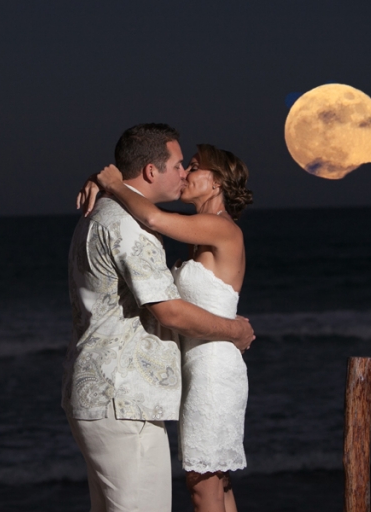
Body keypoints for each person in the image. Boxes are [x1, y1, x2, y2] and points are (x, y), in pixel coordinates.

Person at [63, 124, 255, 512]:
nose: (184, 173)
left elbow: (151, 217)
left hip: (209, 368)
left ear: (216, 182)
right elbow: (149, 222)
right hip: (134, 391)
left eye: (192, 166)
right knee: (210, 483)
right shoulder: (137, 223)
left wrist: (110, 182)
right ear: (152, 171)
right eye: (182, 164)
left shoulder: (218, 229)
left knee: (207, 485)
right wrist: (110, 182)